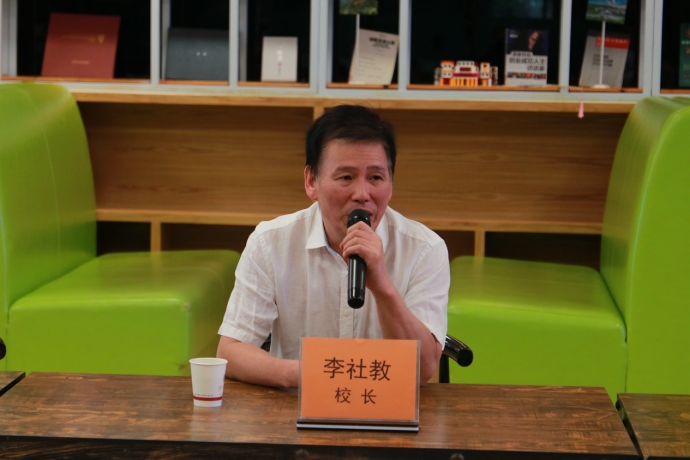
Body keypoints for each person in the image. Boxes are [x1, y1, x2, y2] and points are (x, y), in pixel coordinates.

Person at [216, 105, 449, 388]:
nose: (362, 194)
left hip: (387, 407)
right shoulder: (269, 242)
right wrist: (308, 375)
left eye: (376, 178)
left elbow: (423, 370)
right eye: (346, 177)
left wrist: (382, 286)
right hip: (296, 405)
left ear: (391, 182)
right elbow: (231, 352)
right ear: (311, 182)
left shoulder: (425, 249)